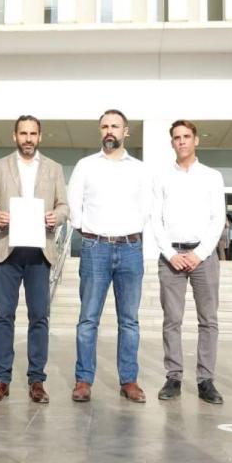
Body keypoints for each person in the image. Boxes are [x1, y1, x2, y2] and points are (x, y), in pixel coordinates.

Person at [0, 115, 69, 404]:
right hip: (7, 249)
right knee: (4, 315)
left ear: (39, 137)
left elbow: (63, 205)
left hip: (39, 252)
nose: (28, 138)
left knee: (39, 316)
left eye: (33, 134)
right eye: (23, 133)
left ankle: (37, 380)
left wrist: (57, 217)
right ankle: (1, 379)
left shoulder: (54, 168)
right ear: (15, 136)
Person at [68, 109, 151, 403]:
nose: (109, 131)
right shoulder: (86, 166)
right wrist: (89, 230)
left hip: (130, 249)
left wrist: (130, 230)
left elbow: (146, 207)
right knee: (88, 319)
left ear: (125, 131)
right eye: (104, 126)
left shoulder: (139, 169)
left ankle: (129, 380)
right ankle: (83, 380)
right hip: (96, 248)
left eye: (115, 126)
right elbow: (74, 203)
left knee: (129, 320)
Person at [151, 120, 226, 404]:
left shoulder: (212, 176)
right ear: (172, 142)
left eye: (186, 136)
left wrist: (200, 253)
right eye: (176, 137)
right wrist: (171, 253)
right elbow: (155, 219)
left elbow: (218, 218)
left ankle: (206, 380)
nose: (181, 141)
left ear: (196, 140)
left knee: (208, 320)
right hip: (171, 257)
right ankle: (174, 377)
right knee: (172, 319)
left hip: (203, 257)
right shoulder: (161, 177)